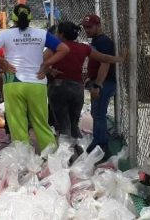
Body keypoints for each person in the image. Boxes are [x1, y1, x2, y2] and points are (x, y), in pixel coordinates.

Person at [0, 3, 70, 152]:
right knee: (41, 122)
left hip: (13, 83)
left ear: (13, 18)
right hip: (37, 82)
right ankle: (51, 158)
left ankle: (23, 158)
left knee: (17, 123)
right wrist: (46, 64)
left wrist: (3, 62)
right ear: (30, 17)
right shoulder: (41, 33)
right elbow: (64, 49)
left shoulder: (5, 34)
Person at [47, 21, 125, 150]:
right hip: (77, 89)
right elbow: (104, 58)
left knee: (63, 124)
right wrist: (119, 59)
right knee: (74, 122)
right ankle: (79, 149)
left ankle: (67, 154)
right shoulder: (84, 48)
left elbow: (42, 61)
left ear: (60, 34)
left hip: (58, 87)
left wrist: (49, 70)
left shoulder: (56, 46)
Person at [81, 14, 119, 157]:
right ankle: (99, 142)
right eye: (85, 27)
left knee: (99, 114)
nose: (87, 30)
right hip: (99, 81)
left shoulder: (103, 41)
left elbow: (105, 63)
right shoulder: (97, 40)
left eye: (89, 27)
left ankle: (101, 145)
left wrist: (98, 85)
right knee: (96, 113)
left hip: (105, 82)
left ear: (98, 25)